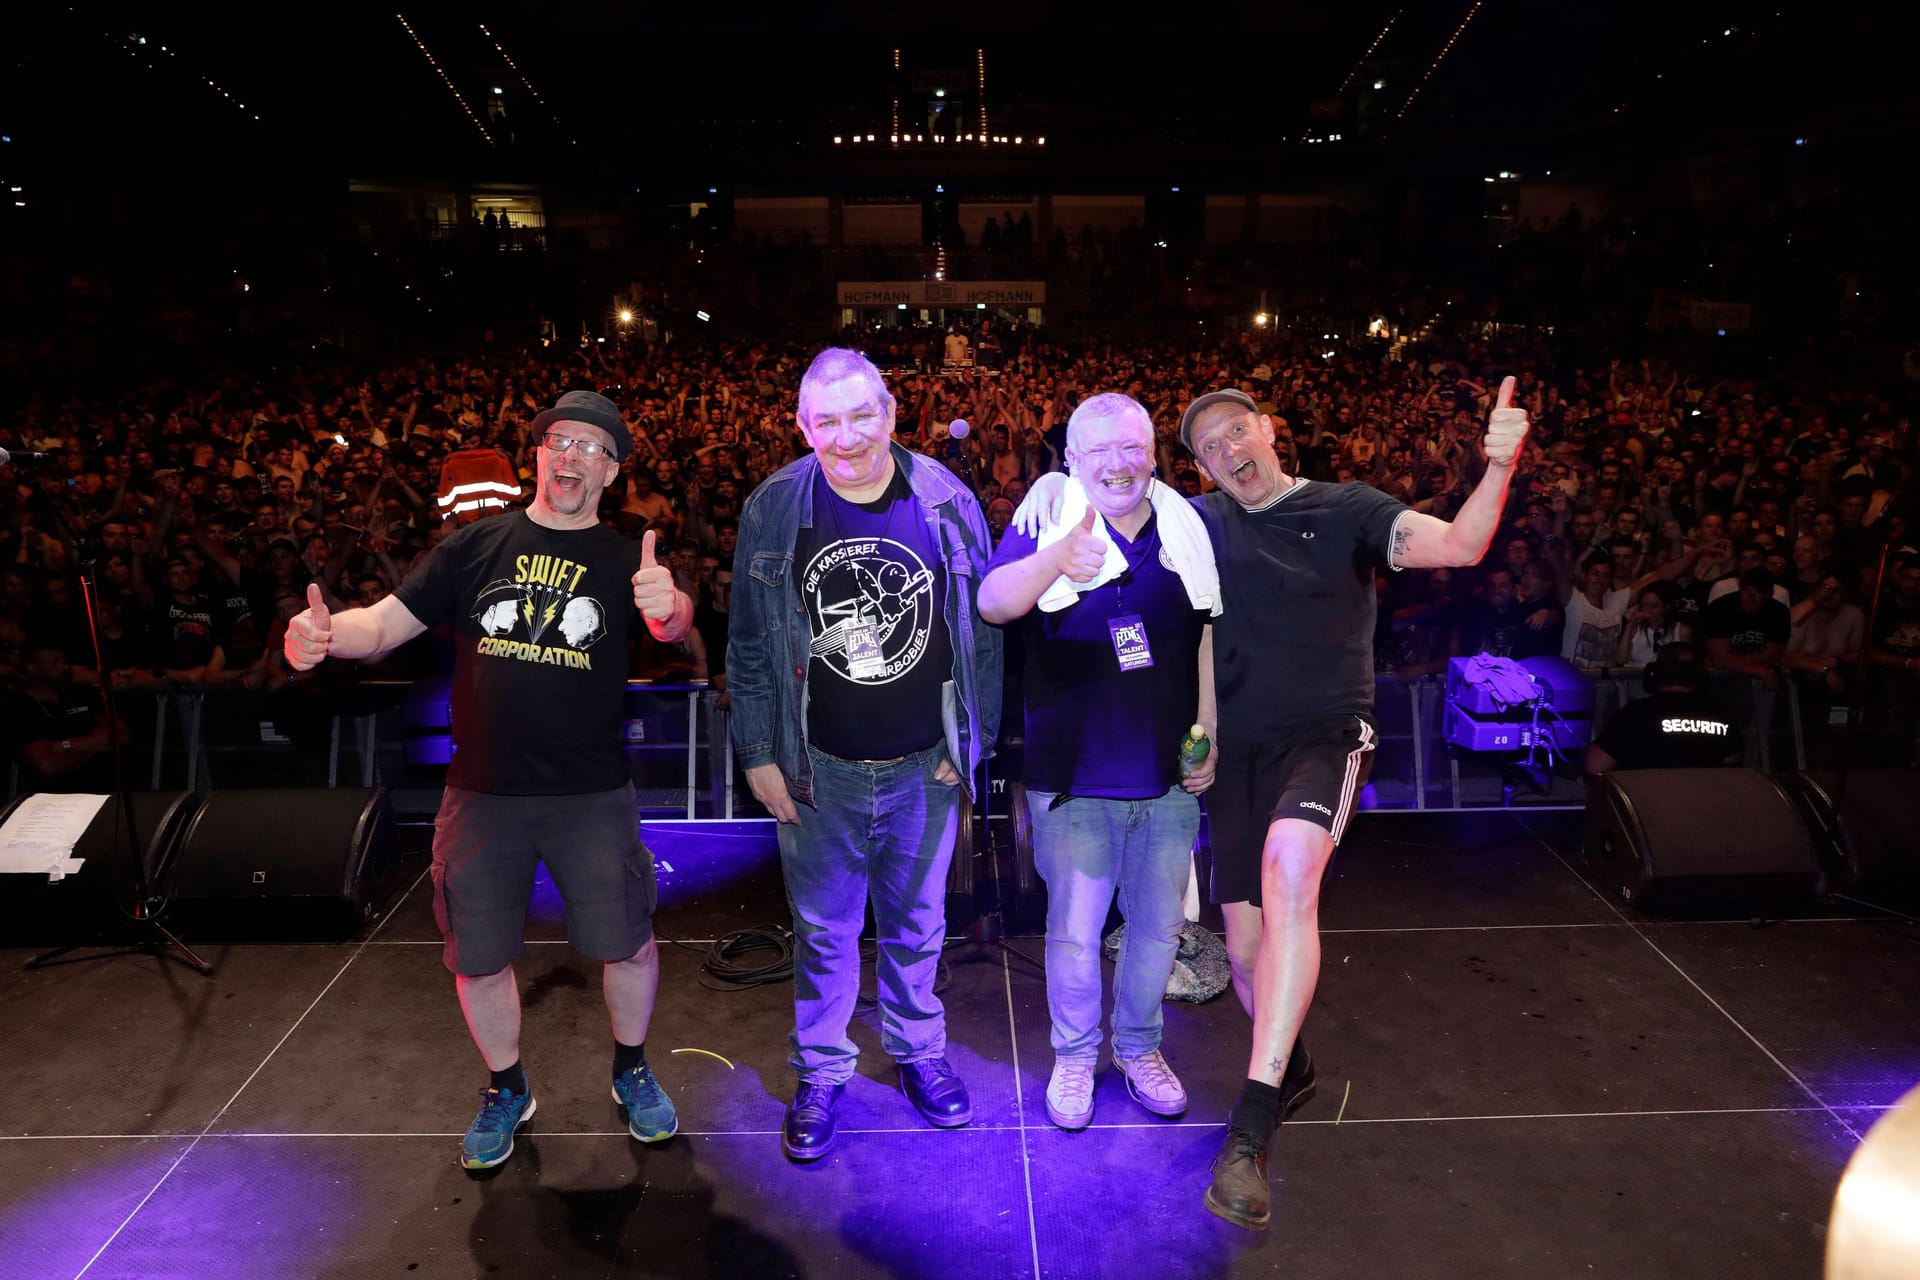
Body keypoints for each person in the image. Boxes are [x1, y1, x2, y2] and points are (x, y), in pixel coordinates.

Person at [1013, 377, 1529, 1231]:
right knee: (1248, 957)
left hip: (1327, 735)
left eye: (1237, 433)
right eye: (1208, 448)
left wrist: (1499, 464)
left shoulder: (1346, 508)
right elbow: (1116, 507)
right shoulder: (1198, 522)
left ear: (1268, 430)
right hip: (1236, 756)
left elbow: (1463, 545)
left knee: (1293, 876)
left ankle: (1249, 1131)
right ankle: (1290, 1058)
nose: (1227, 453)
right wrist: (1048, 484)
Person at [282, 388, 695, 1171]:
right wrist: (330, 634)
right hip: (480, 795)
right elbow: (384, 625)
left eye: (589, 447)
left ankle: (631, 1069)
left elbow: (673, 625)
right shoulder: (473, 546)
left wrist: (668, 606)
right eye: (558, 441)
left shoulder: (621, 558)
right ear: (538, 456)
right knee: (477, 956)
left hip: (590, 793)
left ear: (610, 473)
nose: (570, 455)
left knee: (628, 944)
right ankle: (507, 1087)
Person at [728, 348, 1003, 1163]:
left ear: (889, 412)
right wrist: (757, 752)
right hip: (818, 765)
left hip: (926, 762)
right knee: (823, 931)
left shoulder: (949, 501)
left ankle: (920, 1053)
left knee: (920, 926)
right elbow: (748, 641)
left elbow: (982, 635)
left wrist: (971, 740)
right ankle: (822, 1069)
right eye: (827, 422)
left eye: (860, 417)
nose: (846, 438)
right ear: (803, 425)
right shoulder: (775, 506)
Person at [977, 392, 1220, 1131]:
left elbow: (1205, 634)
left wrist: (1209, 728)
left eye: (1132, 448)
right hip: (1075, 774)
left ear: (1153, 453)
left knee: (1158, 932)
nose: (1118, 464)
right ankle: (1077, 1058)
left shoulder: (1186, 528)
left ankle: (1141, 1048)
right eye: (1100, 451)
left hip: (1167, 775)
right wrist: (1059, 557)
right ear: (1073, 459)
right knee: (1076, 932)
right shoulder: (1046, 517)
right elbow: (993, 603)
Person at [1582, 647, 1742, 773]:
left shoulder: (1635, 715)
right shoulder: (1721, 716)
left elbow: (1595, 765)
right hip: (1704, 807)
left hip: (1648, 808)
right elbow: (1733, 768)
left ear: (1654, 674)